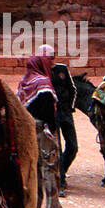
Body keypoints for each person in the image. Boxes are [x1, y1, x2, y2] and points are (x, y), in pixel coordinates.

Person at [48, 47, 78, 193]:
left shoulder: (62, 69)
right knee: (57, 147)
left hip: (66, 112)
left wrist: (70, 107)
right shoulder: (42, 71)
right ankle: (60, 182)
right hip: (51, 115)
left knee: (73, 146)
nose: (51, 59)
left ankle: (62, 171)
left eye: (52, 56)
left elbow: (73, 89)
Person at [17, 51, 58, 130]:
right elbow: (47, 111)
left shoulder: (24, 82)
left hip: (25, 126)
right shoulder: (43, 83)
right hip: (40, 128)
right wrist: (52, 127)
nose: (52, 64)